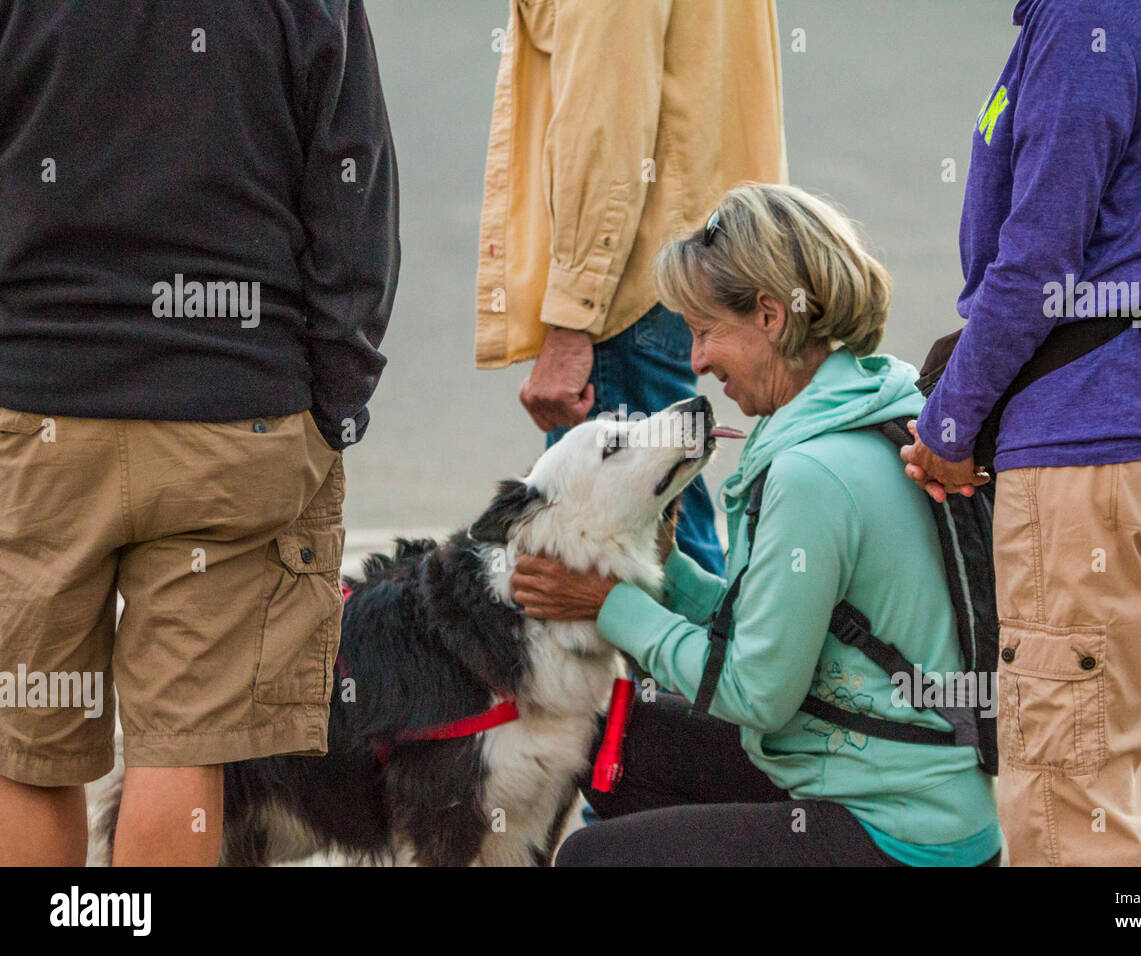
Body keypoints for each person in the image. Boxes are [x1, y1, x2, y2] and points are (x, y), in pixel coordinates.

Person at [0, 0, 398, 865]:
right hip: (236, 412)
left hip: (33, 410)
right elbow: (352, 186)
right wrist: (332, 399)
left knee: (26, 749)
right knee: (184, 747)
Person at [511, 184, 1003, 866]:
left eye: (705, 331)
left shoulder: (811, 475)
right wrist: (670, 575)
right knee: (624, 737)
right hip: (916, 792)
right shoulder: (870, 404)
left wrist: (609, 605)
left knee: (591, 860)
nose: (696, 362)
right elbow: (785, 632)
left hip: (901, 833)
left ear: (771, 316)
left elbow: (757, 692)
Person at [900, 0, 1141, 865]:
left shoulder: (1084, 22)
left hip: (1098, 436)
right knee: (1127, 747)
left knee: (1069, 789)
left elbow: (1037, 263)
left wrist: (950, 423)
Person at [474, 0, 787, 575]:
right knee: (669, 533)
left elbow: (606, 122)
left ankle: (721, 665)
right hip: (685, 252)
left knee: (627, 558)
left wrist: (575, 317)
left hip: (629, 283)